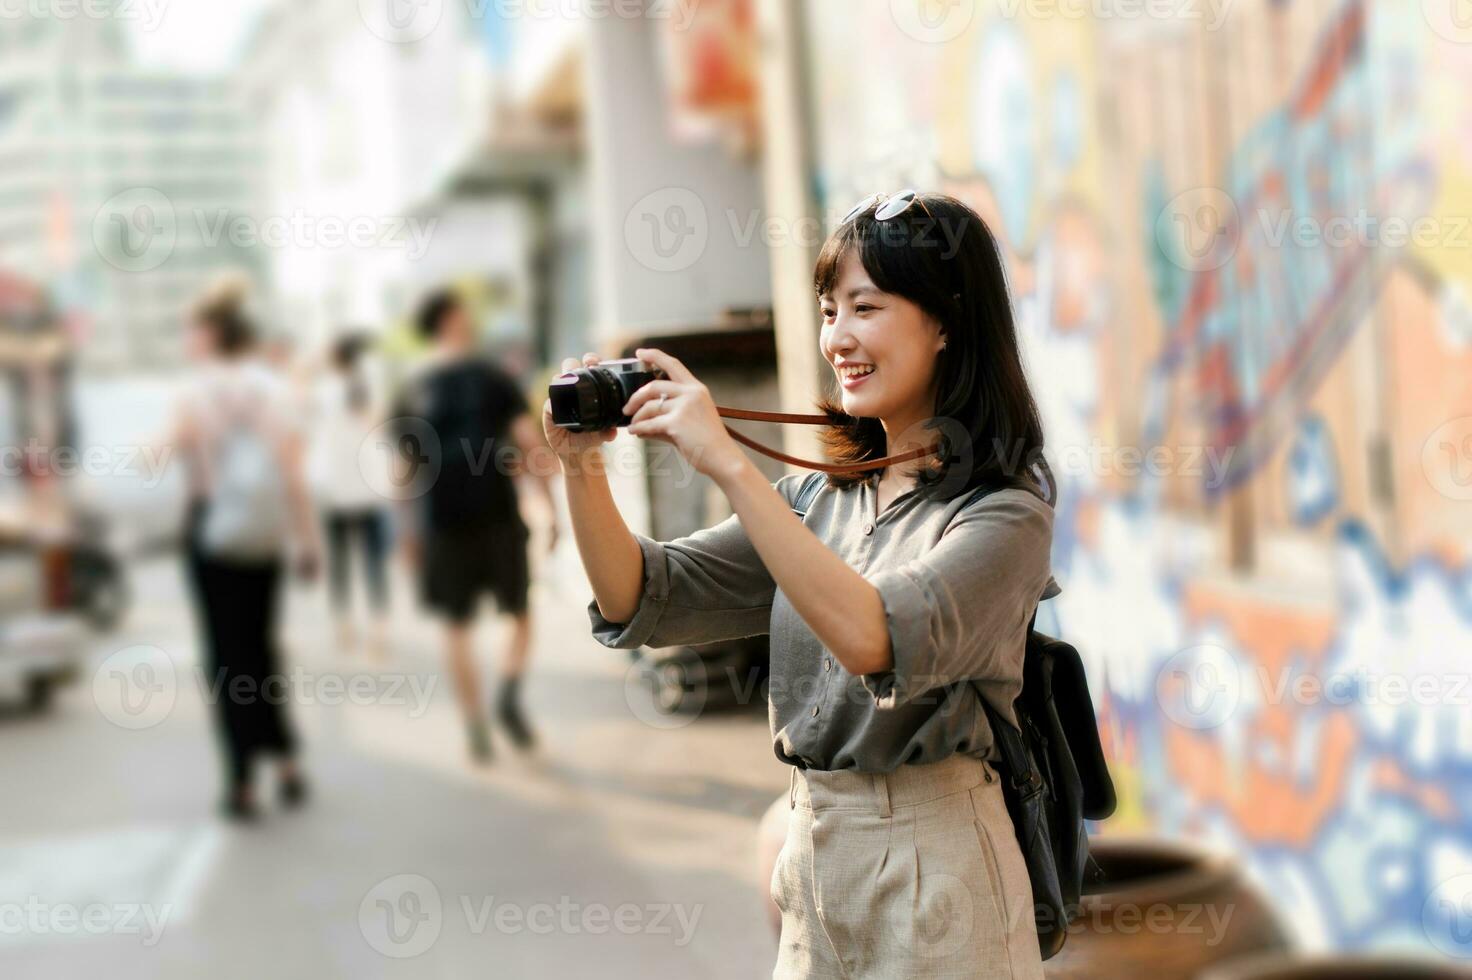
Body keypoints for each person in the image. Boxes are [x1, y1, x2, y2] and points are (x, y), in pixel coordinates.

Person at [548, 193, 1056, 977]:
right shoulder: (819, 500)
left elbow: (873, 635)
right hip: (814, 846)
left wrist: (724, 460)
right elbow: (644, 596)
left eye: (866, 307)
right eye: (828, 311)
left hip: (938, 854)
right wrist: (580, 464)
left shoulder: (1004, 514)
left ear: (947, 322)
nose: (838, 338)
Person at [172, 277, 321, 822]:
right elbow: (292, 475)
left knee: (225, 659)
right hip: (263, 536)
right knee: (260, 652)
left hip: (209, 535)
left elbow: (160, 454)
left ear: (210, 335)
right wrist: (307, 543)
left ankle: (240, 781)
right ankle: (285, 762)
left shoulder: (194, 391)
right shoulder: (274, 389)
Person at [394, 290, 556, 765]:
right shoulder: (491, 376)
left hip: (441, 522)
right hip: (497, 513)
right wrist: (550, 510)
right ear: (451, 319)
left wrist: (408, 533)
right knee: (520, 613)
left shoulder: (413, 387)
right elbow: (530, 444)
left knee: (456, 626)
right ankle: (507, 692)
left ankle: (474, 724)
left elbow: (405, 467)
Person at [311, 332, 390, 657]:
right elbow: (380, 428)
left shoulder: (325, 391)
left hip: (335, 491)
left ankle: (344, 625)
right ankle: (377, 632)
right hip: (367, 489)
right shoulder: (367, 389)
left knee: (340, 563)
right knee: (373, 563)